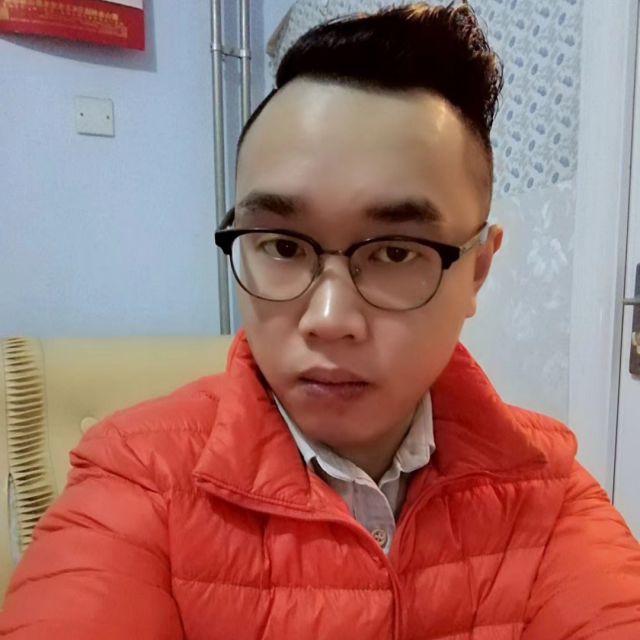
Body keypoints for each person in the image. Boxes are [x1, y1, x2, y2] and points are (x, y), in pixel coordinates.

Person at [2, 3, 639, 638]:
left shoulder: (547, 488)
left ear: (477, 271)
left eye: (396, 252)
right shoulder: (137, 475)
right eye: (282, 245)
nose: (329, 320)